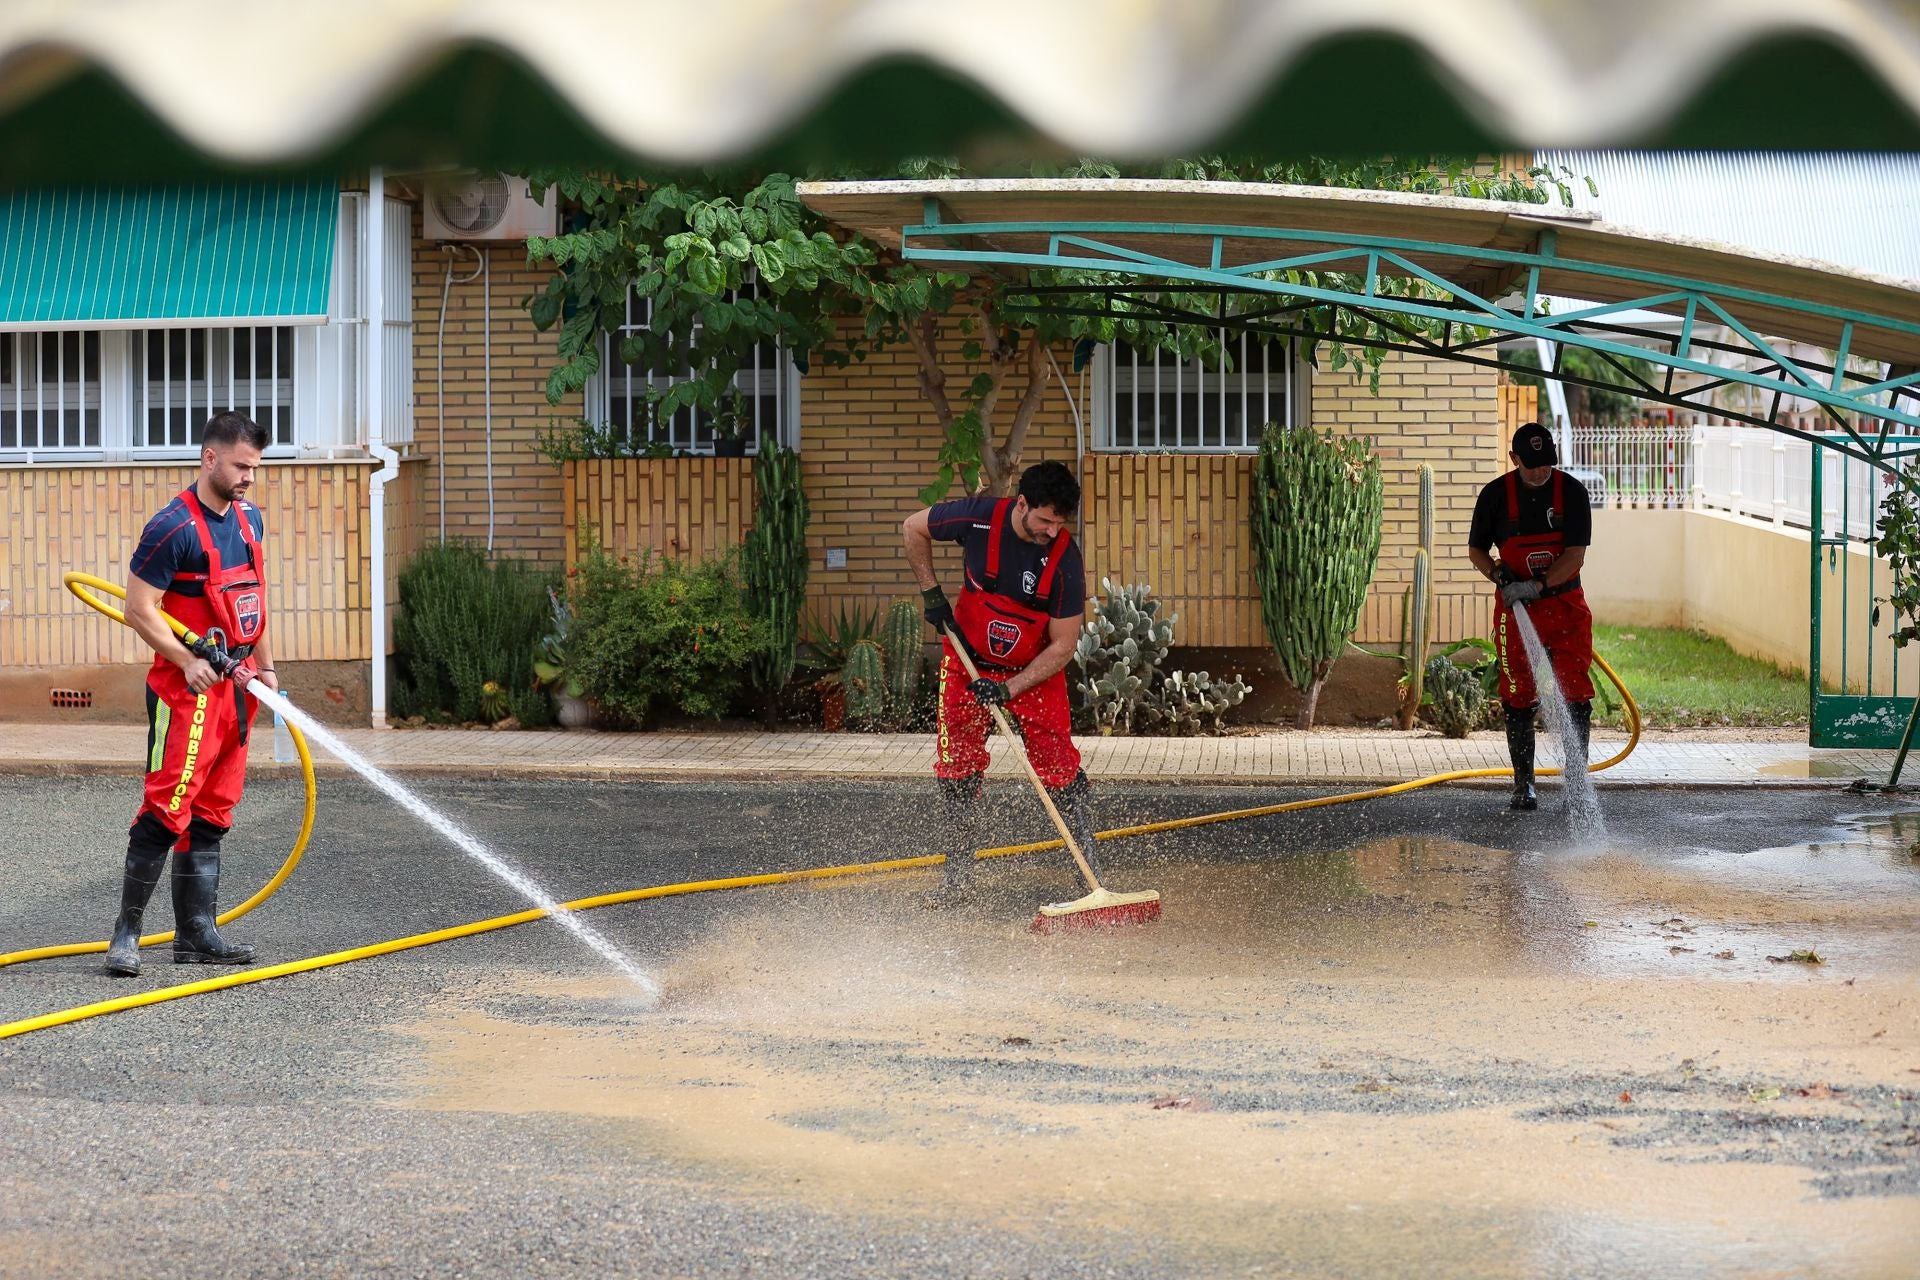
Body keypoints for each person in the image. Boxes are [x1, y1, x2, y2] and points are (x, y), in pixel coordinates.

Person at [104, 412, 278, 975]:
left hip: (239, 691)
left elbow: (254, 601)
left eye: (255, 466)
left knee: (212, 813)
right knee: (166, 809)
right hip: (188, 696)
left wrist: (267, 669)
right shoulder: (172, 528)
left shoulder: (249, 521)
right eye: (241, 465)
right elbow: (138, 609)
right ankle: (125, 935)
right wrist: (184, 660)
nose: (249, 476)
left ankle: (195, 935)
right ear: (210, 459)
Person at [902, 460, 1097, 906]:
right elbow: (913, 528)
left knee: (1060, 771)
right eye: (1045, 519)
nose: (1051, 530)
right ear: (1022, 503)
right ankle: (958, 881)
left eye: (1059, 523)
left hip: (1033, 675)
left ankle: (1088, 878)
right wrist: (932, 595)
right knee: (957, 769)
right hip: (967, 661)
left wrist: (1010, 689)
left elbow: (1064, 645)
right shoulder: (977, 517)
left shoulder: (1065, 559)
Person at [1466, 421, 1594, 812]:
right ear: (1514, 458)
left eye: (1546, 464)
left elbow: (1575, 555)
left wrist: (1538, 585)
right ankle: (1524, 785)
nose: (1540, 471)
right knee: (1518, 693)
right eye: (1532, 464)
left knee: (1575, 691)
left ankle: (1576, 783)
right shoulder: (1495, 497)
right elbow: (1476, 551)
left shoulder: (1572, 492)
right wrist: (1498, 574)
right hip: (1515, 610)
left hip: (1565, 605)